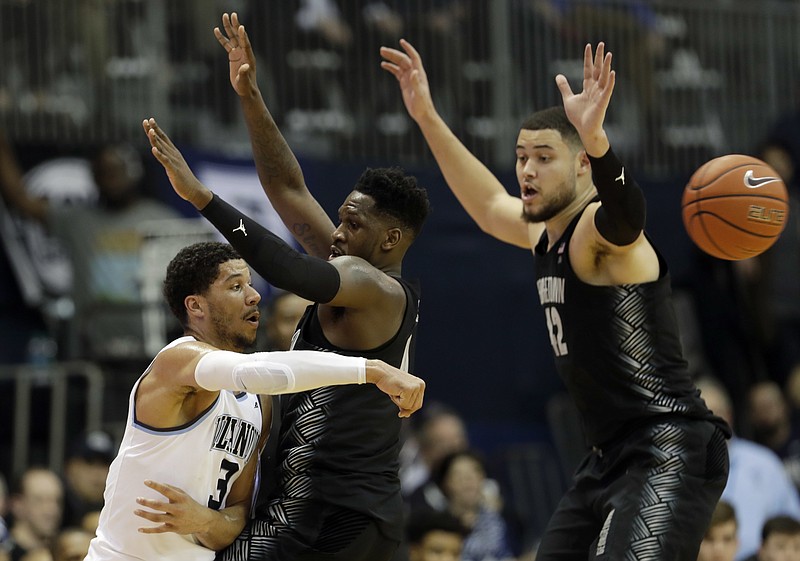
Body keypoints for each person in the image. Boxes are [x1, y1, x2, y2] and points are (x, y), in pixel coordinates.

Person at [382, 39, 730, 559]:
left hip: (667, 445)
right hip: (606, 456)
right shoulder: (543, 232)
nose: (526, 170)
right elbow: (487, 205)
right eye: (522, 157)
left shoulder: (598, 231)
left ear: (583, 167)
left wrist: (596, 138)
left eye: (544, 158)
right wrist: (428, 116)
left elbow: (628, 214)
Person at [143, 12, 431, 560]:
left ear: (391, 239)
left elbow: (288, 270)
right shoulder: (353, 269)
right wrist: (250, 93)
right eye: (341, 219)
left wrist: (202, 199)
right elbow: (286, 186)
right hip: (331, 508)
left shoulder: (372, 285)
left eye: (353, 224)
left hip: (333, 511)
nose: (336, 232)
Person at [84, 241, 425, 561]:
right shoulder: (177, 361)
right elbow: (258, 370)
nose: (253, 297)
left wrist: (202, 520)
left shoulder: (256, 402)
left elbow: (236, 517)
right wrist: (372, 369)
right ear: (195, 305)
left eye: (250, 285)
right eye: (235, 287)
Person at [696, 376, 800, 561]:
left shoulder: (764, 463)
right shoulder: (679, 469)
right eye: (700, 415)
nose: (709, 423)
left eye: (715, 413)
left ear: (729, 415)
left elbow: (792, 525)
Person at [61, 430, 115, 529]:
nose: (97, 473)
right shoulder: (56, 502)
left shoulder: (116, 505)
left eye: (104, 465)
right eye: (90, 463)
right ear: (71, 467)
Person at [6, 467, 63, 561]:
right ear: (17, 505)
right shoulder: (4, 553)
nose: (52, 510)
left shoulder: (64, 553)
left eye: (57, 501)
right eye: (40, 500)